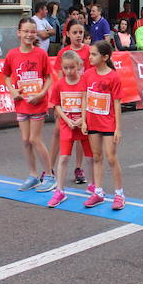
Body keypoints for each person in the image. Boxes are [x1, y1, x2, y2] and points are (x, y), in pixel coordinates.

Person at [3, 18, 55, 192]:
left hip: (37, 103)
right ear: (19, 32)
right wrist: (12, 90)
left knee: (35, 139)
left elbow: (49, 77)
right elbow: (7, 76)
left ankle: (49, 175)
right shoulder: (12, 54)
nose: (29, 34)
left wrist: (41, 94)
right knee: (25, 140)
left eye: (32, 31)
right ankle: (33, 175)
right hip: (21, 103)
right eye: (26, 31)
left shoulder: (40, 53)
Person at [46, 50, 93, 208]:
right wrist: (66, 119)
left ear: (79, 66)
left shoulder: (84, 82)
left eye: (72, 67)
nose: (68, 71)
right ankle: (59, 190)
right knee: (64, 158)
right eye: (65, 68)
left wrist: (82, 119)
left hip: (83, 125)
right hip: (67, 125)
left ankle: (93, 185)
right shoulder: (59, 84)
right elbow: (56, 105)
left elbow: (89, 102)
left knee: (90, 158)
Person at [82, 40, 125, 210]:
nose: (90, 57)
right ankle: (98, 192)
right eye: (90, 53)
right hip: (92, 122)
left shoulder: (113, 76)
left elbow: (117, 103)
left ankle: (119, 194)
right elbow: (85, 97)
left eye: (94, 54)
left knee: (111, 158)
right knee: (97, 157)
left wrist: (118, 128)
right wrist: (84, 120)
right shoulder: (87, 74)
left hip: (108, 124)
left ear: (105, 57)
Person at [57, 21, 91, 183]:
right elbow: (59, 77)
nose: (78, 35)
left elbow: (92, 74)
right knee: (63, 134)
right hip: (67, 101)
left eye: (81, 32)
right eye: (75, 32)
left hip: (83, 98)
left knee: (82, 136)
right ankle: (53, 173)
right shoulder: (63, 52)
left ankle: (79, 168)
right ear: (68, 34)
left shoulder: (89, 51)